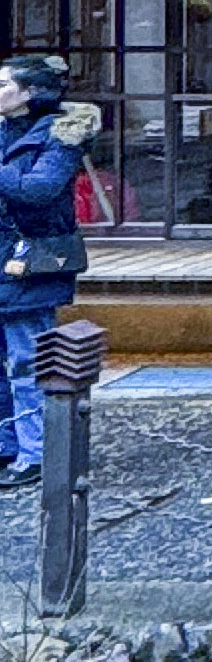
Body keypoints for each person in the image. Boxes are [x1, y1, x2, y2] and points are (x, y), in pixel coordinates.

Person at [0, 56, 102, 492]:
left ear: (29, 93)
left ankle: (37, 451)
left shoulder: (64, 132)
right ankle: (7, 444)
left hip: (32, 261)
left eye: (3, 84)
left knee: (28, 359)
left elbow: (39, 189)